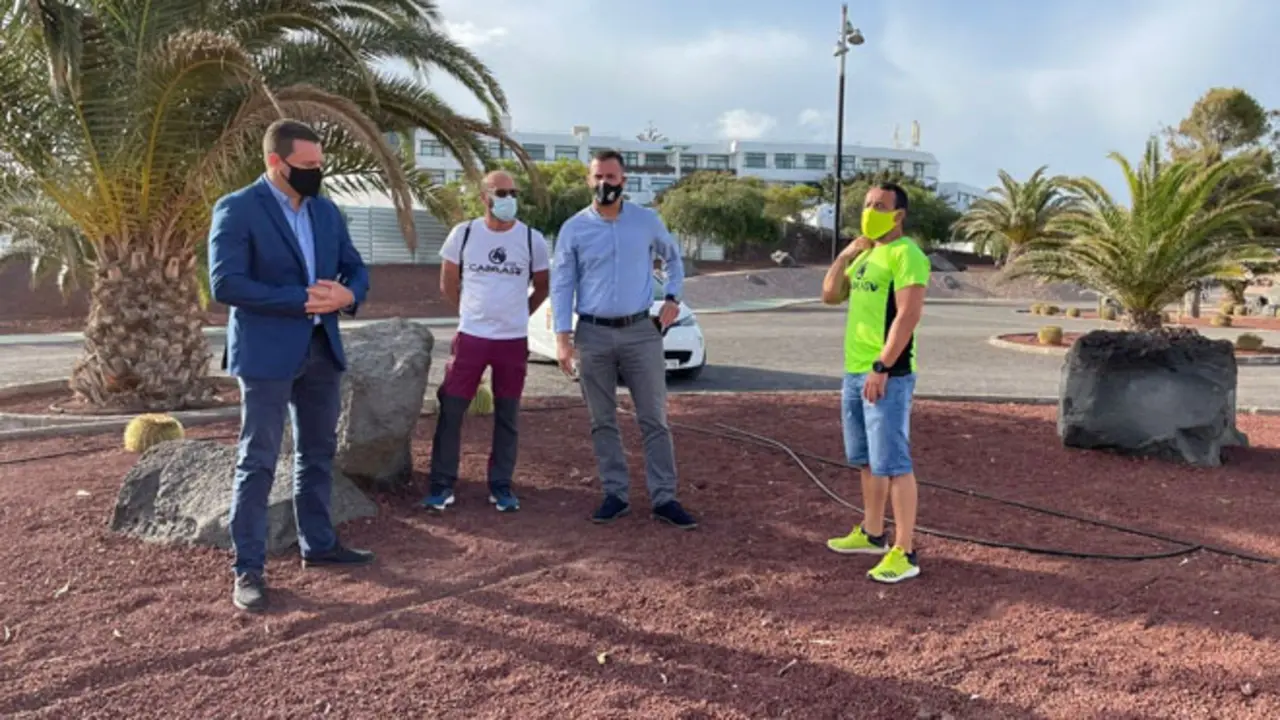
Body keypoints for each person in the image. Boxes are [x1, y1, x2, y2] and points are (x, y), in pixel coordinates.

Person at [208, 119, 375, 614]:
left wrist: (348, 295)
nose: (316, 172)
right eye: (306, 165)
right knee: (258, 460)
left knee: (318, 452)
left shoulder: (326, 211)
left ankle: (318, 545)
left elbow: (355, 268)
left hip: (321, 349)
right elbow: (226, 284)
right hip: (266, 354)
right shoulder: (238, 208)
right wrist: (299, 299)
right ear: (274, 162)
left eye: (320, 164)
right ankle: (249, 568)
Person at [550, 150, 697, 530]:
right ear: (589, 180)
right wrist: (562, 339)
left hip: (640, 333)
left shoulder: (646, 221)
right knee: (602, 420)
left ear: (623, 181)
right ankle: (615, 494)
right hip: (593, 334)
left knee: (654, 418)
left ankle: (664, 497)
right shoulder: (574, 229)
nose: (605, 184)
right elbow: (562, 284)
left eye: (611, 177)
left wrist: (673, 297)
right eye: (598, 177)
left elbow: (673, 259)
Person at [819, 182, 930, 583]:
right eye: (867, 204)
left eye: (879, 206)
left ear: (899, 214)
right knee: (867, 460)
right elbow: (830, 295)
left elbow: (908, 315)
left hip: (886, 375)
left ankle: (905, 551)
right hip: (854, 371)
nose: (869, 211)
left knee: (894, 464)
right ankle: (872, 533)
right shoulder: (867, 254)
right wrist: (846, 254)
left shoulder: (907, 254)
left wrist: (882, 366)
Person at [422, 170, 551, 513]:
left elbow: (542, 286)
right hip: (472, 338)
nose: (509, 199)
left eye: (513, 193)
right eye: (501, 193)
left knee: (508, 414)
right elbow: (448, 282)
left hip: (512, 341)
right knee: (452, 409)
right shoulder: (463, 234)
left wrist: (519, 314)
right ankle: (442, 485)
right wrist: (469, 312)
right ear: (484, 197)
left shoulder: (532, 240)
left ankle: (501, 486)